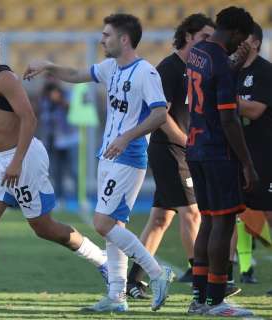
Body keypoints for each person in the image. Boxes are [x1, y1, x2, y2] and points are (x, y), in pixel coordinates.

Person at [0, 20, 108, 311]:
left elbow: (30, 118)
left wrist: (16, 162)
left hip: (25, 156)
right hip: (0, 160)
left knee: (43, 228)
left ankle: (102, 261)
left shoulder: (4, 78)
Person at [25, 13, 174, 313]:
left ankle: (157, 272)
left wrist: (127, 137)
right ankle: (116, 297)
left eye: (106, 35)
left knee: (102, 223)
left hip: (128, 157)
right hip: (109, 155)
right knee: (112, 225)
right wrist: (49, 67)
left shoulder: (146, 72)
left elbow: (160, 113)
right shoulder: (110, 68)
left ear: (124, 39)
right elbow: (77, 74)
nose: (101, 39)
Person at [125, 13, 215, 299]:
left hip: (183, 149)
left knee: (160, 219)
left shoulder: (200, 67)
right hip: (169, 149)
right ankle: (206, 280)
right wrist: (189, 144)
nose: (209, 43)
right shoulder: (169, 68)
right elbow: (160, 115)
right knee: (192, 213)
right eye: (204, 37)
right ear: (188, 36)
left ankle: (132, 281)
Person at [184, 6, 258, 317]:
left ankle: (200, 299)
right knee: (223, 223)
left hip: (195, 147)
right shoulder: (222, 64)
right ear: (238, 34)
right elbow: (228, 119)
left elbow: (212, 80)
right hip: (218, 151)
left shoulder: (197, 52)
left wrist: (234, 66)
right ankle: (216, 302)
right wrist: (247, 163)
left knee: (208, 220)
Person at [237, 22, 272, 292]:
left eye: (244, 36)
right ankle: (230, 275)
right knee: (232, 215)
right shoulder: (231, 70)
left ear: (257, 42)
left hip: (265, 154)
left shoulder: (265, 71)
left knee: (268, 215)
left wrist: (224, 100)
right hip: (236, 153)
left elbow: (257, 109)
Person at [38, 81, 79, 208]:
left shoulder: (67, 94)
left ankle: (80, 198)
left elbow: (72, 110)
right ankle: (60, 199)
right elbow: (42, 117)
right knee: (57, 172)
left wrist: (59, 100)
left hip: (69, 139)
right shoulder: (44, 100)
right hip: (54, 141)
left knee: (74, 170)